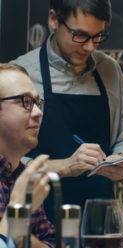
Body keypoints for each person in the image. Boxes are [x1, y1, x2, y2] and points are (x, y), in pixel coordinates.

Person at [11, 0, 123, 220]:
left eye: (98, 36)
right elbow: (6, 162)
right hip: (38, 222)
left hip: (101, 222)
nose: (90, 47)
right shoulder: (22, 73)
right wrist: (64, 166)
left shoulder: (110, 71)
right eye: (80, 35)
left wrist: (122, 159)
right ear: (54, 20)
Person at [0, 63, 54, 247]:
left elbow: (50, 242)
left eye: (37, 103)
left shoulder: (21, 176)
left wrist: (20, 236)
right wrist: (17, 209)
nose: (39, 113)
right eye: (25, 102)